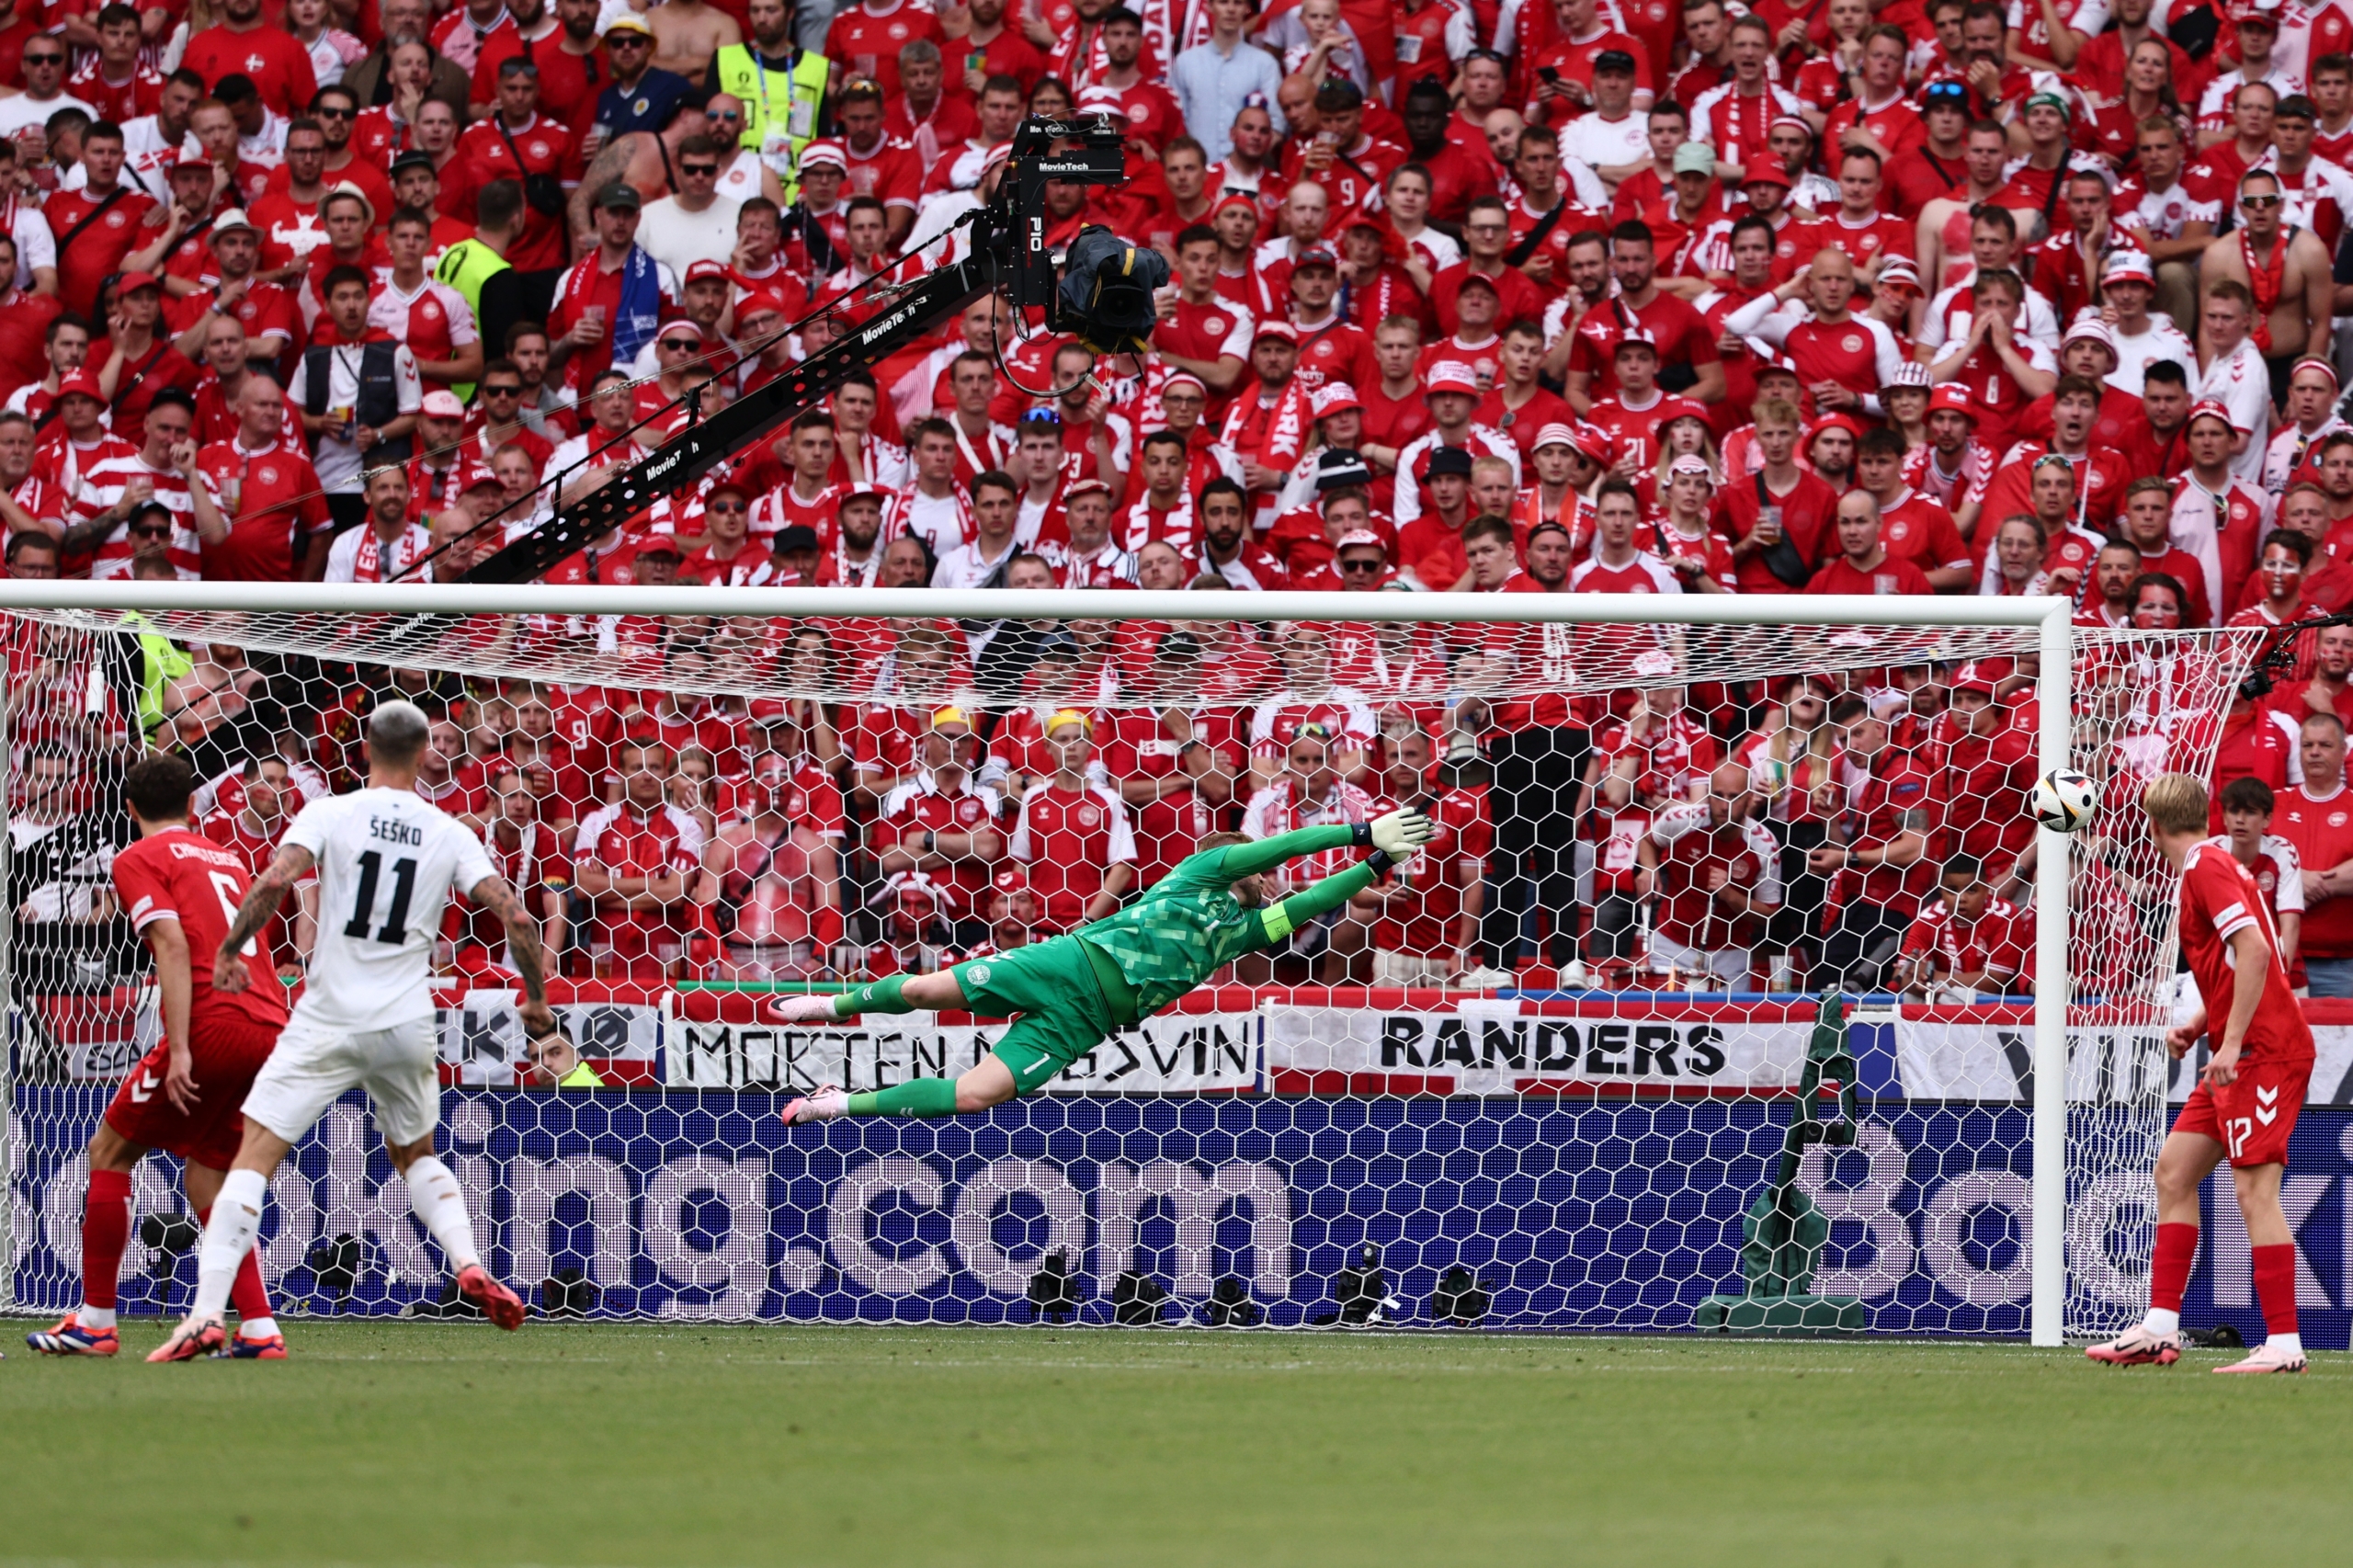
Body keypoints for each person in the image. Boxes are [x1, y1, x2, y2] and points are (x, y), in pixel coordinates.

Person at [149, 701, 550, 1360]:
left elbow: (275, 880)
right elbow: (518, 918)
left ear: (365, 749)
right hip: (404, 1020)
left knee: (253, 1155)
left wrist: (229, 951)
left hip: (329, 1014)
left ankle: (204, 1316)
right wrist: (534, 999)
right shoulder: (448, 829)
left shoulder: (330, 811)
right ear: (424, 754)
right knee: (416, 1154)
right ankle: (468, 1260)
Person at [772, 808, 1435, 1119]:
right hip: (1065, 963)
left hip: (1087, 1020)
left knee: (976, 1095)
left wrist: (1374, 864)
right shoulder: (1196, 873)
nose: (1267, 876)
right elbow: (1285, 848)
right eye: (1259, 866)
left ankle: (838, 1104)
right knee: (925, 991)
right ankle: (829, 1007)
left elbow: (1315, 897)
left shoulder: (1239, 933)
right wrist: (1358, 834)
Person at [25, 755, 290, 1359]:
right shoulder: (228, 856)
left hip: (213, 1023)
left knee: (110, 1150)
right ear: (193, 807)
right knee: (210, 1171)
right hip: (271, 1024)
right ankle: (257, 1328)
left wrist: (179, 1049)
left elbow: (170, 943)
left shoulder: (136, 857)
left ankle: (94, 1321)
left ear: (130, 810)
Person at [2085, 773, 2316, 1374]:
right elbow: (2239, 958)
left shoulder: (2204, 868)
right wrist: (2201, 1023)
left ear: (2152, 826)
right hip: (2234, 1052)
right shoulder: (2213, 863)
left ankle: (2285, 1345)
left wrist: (2232, 1041)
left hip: (2263, 1052)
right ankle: (2159, 1329)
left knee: (2254, 1191)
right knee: (2173, 1172)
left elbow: (2259, 953)